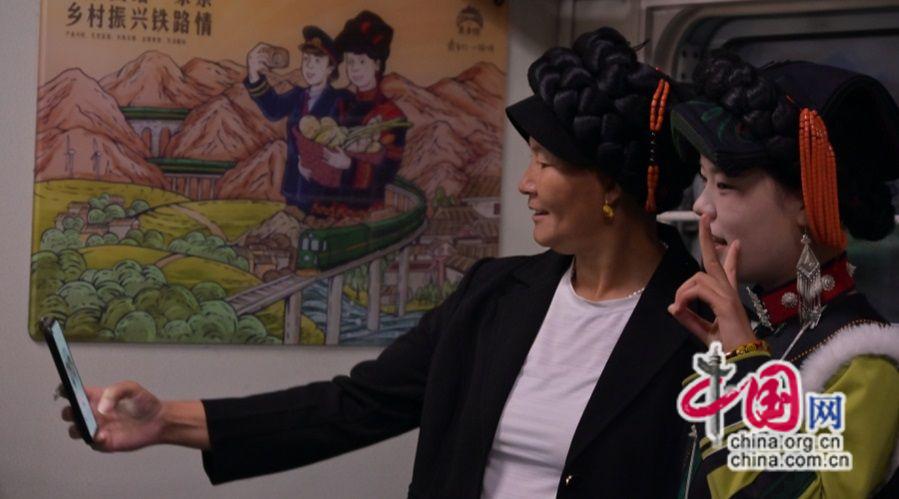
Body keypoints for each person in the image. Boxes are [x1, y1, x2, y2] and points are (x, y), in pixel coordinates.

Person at [61, 27, 700, 498]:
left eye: (545, 161)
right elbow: (356, 404)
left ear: (609, 183)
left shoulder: (706, 330)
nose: (524, 183)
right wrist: (165, 421)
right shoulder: (493, 295)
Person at [666, 52, 899, 498]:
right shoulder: (761, 332)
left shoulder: (863, 365)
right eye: (703, 180)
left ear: (806, 204)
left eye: (725, 185)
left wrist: (740, 367)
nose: (700, 206)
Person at [245, 26, 351, 211]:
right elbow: (273, 109)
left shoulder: (341, 101)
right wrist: (254, 75)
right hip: (295, 189)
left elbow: (349, 144)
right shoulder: (298, 95)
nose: (309, 66)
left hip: (324, 193)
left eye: (317, 61)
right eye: (306, 59)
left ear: (330, 68)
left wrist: (340, 162)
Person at [320, 10, 408, 214]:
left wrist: (349, 164)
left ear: (377, 64)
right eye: (350, 62)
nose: (355, 69)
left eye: (361, 61)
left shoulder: (392, 116)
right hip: (331, 206)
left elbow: (388, 171)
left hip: (366, 210)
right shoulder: (342, 106)